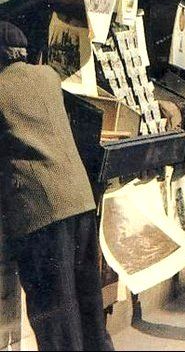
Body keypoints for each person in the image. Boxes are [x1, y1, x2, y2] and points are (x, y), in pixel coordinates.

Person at [0, 21, 114, 351]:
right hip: (79, 200)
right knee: (89, 304)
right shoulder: (48, 78)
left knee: (56, 316)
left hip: (40, 212)